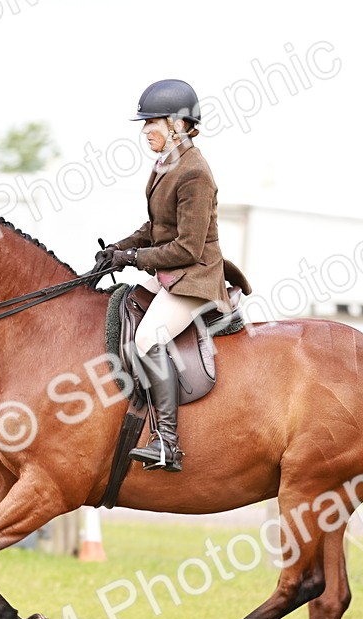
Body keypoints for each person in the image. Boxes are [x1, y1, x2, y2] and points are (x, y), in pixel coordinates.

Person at [97, 78, 248, 473]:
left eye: (153, 123)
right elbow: (156, 228)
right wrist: (118, 249)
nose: (146, 131)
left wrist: (135, 256)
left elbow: (186, 248)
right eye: (145, 124)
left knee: (148, 337)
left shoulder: (195, 172)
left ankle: (166, 442)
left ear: (178, 125)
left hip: (193, 277)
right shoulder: (167, 164)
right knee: (123, 304)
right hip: (171, 273)